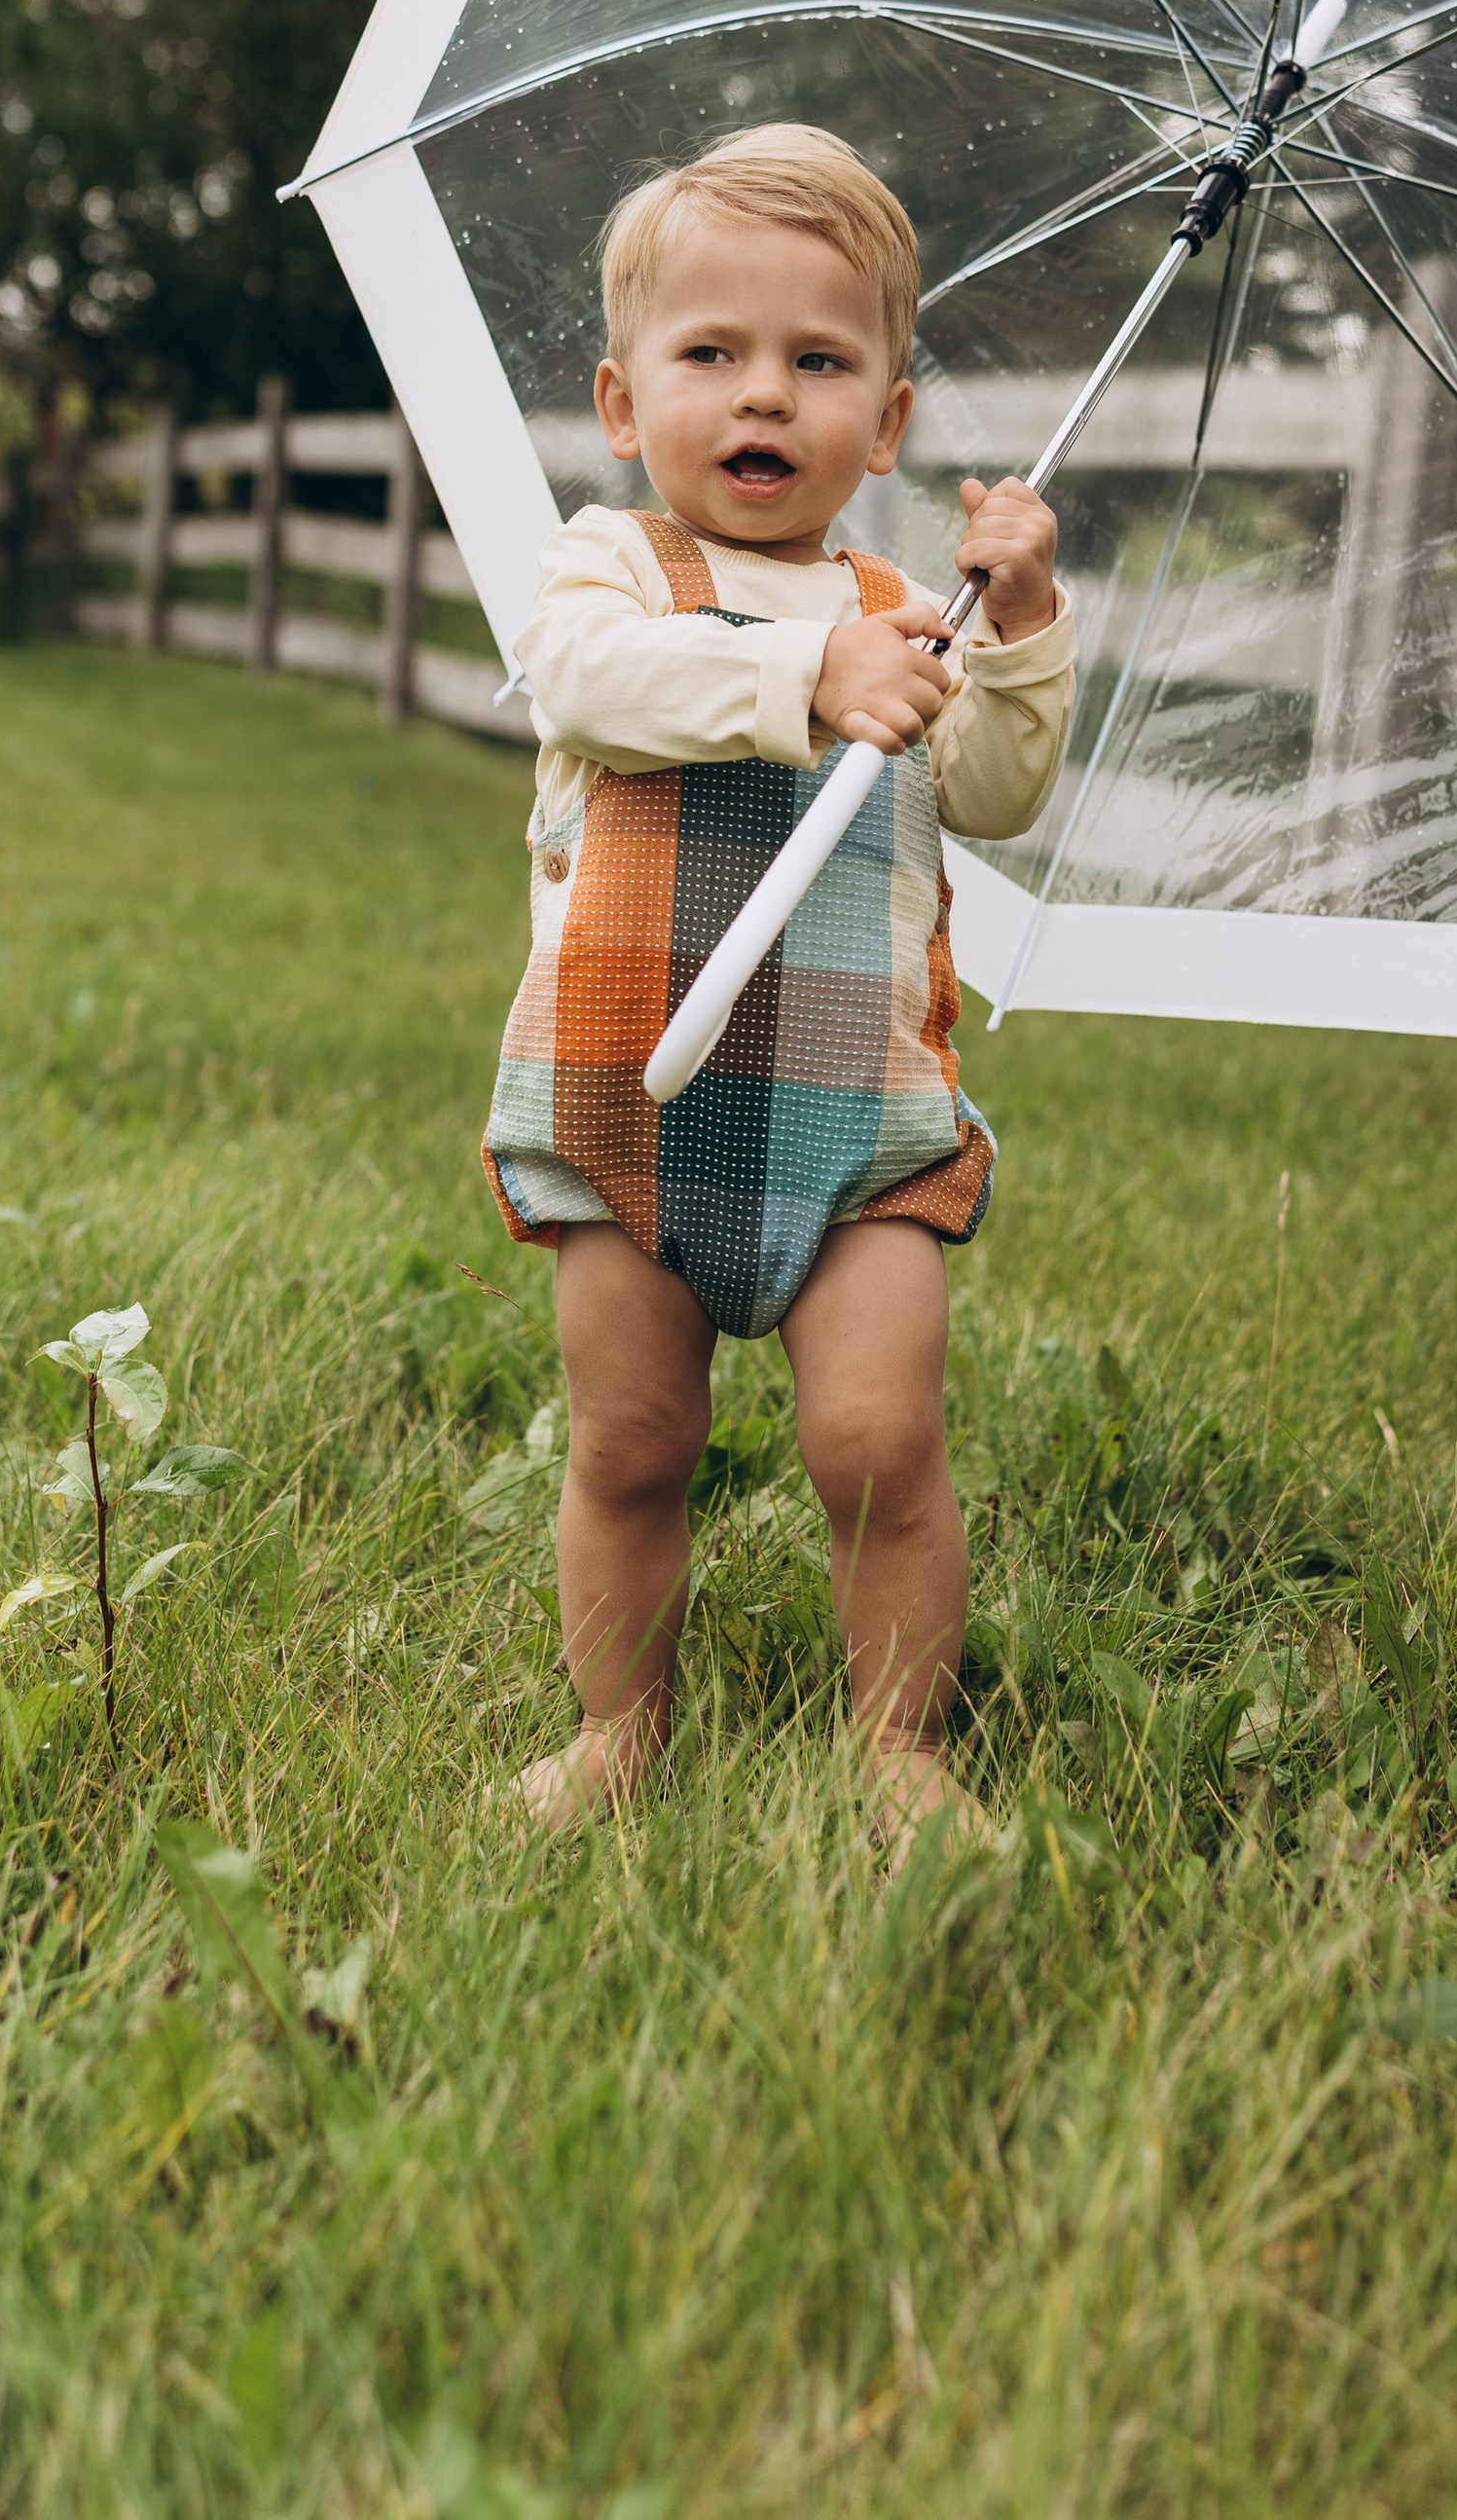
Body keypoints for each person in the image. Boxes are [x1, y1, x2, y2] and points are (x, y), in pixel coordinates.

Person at [484, 123, 1076, 1855]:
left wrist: (1018, 631)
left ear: (885, 422)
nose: (765, 397)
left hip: (849, 1091)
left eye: (819, 363)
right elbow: (592, 690)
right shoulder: (611, 573)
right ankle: (617, 1728)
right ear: (621, 399)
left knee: (881, 1436)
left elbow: (994, 793)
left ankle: (898, 1745)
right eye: (712, 356)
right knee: (633, 1442)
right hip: (627, 1084)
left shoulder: (915, 612)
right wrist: (805, 671)